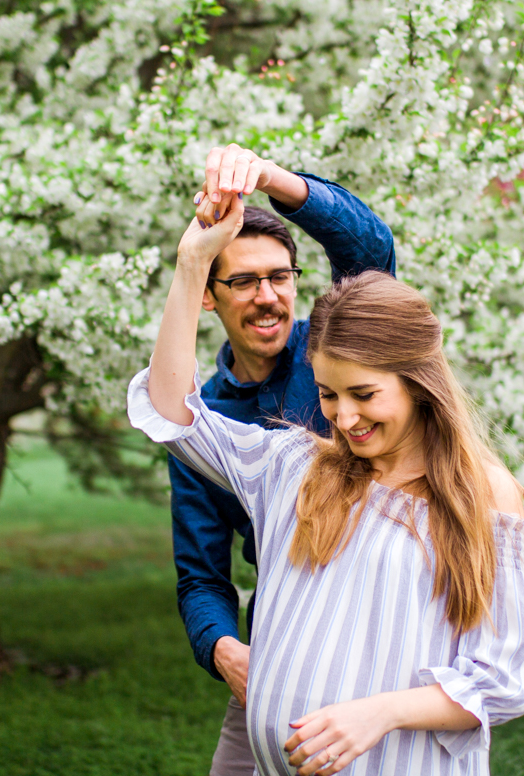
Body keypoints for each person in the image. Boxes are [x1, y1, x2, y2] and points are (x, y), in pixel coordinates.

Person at [130, 195, 524, 775]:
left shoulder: (486, 498)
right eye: (327, 395)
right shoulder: (293, 466)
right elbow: (172, 413)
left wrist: (378, 714)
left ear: (418, 382)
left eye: (364, 395)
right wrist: (191, 263)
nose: (344, 419)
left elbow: (502, 680)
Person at [170, 145, 396, 775]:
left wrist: (270, 179)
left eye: (280, 277)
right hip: (279, 648)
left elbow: (371, 254)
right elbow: (199, 573)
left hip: (379, 636)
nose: (267, 296)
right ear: (210, 297)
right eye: (243, 281)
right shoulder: (202, 422)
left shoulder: (336, 348)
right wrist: (221, 648)